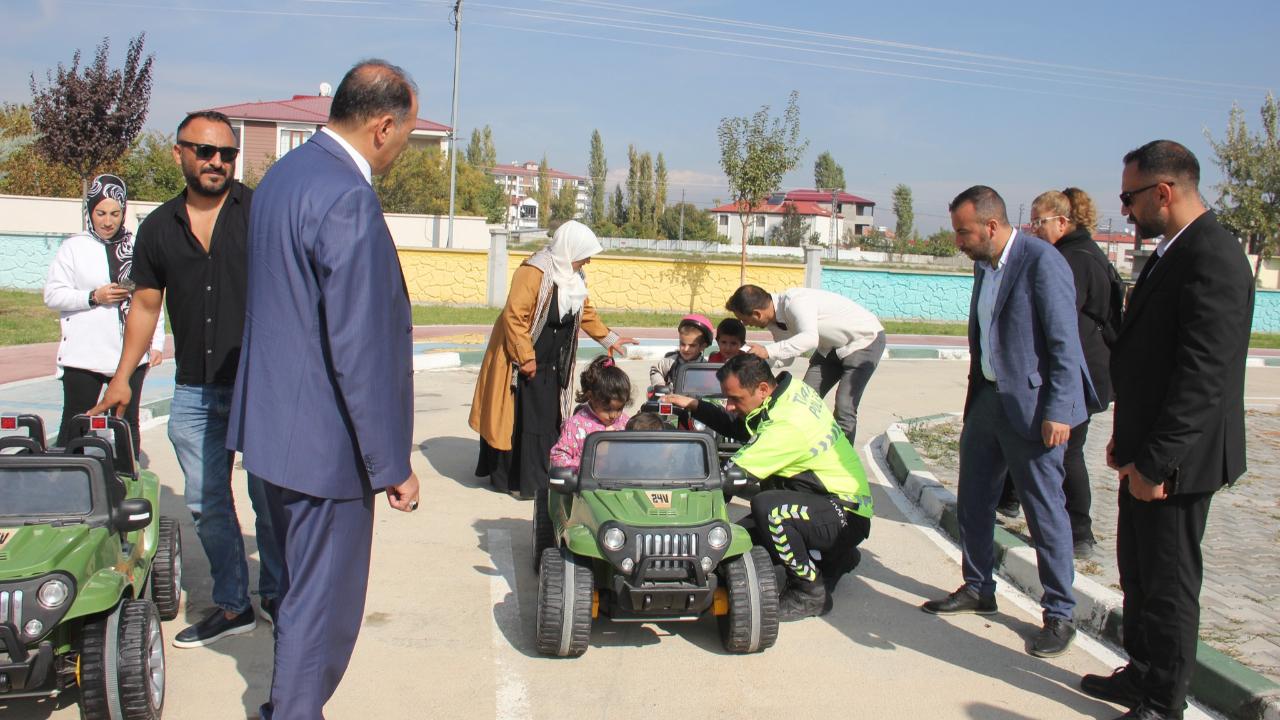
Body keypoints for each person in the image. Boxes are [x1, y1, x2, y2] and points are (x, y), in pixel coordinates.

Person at [226, 60, 422, 720]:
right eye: (406, 134)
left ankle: (287, 704)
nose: (401, 149)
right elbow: (359, 349)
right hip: (325, 452)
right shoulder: (347, 196)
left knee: (297, 601)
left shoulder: (281, 177)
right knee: (322, 618)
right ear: (383, 125)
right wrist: (391, 464)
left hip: (273, 437)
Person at [91, 111, 282, 649]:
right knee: (206, 503)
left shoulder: (259, 212)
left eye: (227, 154)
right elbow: (147, 307)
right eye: (205, 151)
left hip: (257, 386)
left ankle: (276, 593)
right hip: (196, 390)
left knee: (268, 500)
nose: (217, 162)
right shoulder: (157, 228)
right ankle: (231, 603)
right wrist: (124, 377)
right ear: (179, 153)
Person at [1079, 141, 1253, 720]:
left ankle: (1163, 702)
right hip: (1146, 448)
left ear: (1163, 191)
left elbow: (1204, 377)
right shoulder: (1174, 250)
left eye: (1129, 197)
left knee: (1171, 585)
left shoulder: (1215, 255)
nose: (1124, 210)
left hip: (1179, 461)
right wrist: (1127, 441)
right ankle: (1143, 674)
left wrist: (1156, 462)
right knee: (1139, 575)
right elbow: (1152, 357)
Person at [920, 185, 1096, 660]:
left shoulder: (1042, 262)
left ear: (992, 226)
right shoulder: (984, 265)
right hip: (988, 401)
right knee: (974, 501)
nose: (958, 240)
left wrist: (1060, 410)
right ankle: (978, 586)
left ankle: (1059, 614)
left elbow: (1064, 345)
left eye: (964, 231)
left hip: (1036, 411)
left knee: (1044, 512)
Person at [666, 354, 874, 621]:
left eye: (735, 399)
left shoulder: (786, 425)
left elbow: (728, 479)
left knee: (770, 510)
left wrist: (671, 500)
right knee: (734, 551)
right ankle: (835, 558)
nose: (729, 406)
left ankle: (809, 593)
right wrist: (696, 405)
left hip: (843, 514)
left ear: (763, 389)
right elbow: (742, 428)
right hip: (828, 505)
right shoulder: (789, 392)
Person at [997, 188, 1123, 558]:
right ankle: (1009, 499)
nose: (1034, 229)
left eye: (1040, 222)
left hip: (1080, 372)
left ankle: (1080, 533)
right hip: (1081, 367)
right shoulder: (1075, 253)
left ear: (1063, 222)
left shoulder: (1073, 259)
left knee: (1066, 451)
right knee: (1031, 435)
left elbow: (1061, 327)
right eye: (1032, 221)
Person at [470, 220, 635, 500]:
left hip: (551, 363)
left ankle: (543, 477)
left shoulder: (574, 276)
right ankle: (526, 483)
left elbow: (585, 311)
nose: (589, 261)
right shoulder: (535, 271)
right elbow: (515, 316)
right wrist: (526, 357)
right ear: (570, 249)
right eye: (586, 253)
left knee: (546, 419)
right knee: (524, 418)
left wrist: (609, 338)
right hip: (522, 361)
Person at [44, 174, 164, 452]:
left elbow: (150, 298)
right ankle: (68, 482)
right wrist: (93, 297)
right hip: (83, 355)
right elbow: (52, 294)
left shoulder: (137, 248)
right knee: (76, 422)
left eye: (114, 213)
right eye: (100, 213)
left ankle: (125, 481)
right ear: (90, 211)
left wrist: (155, 343)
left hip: (130, 354)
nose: (107, 221)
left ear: (124, 212)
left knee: (126, 423)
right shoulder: (74, 247)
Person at [726, 284, 885, 446]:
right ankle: (801, 450)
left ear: (757, 314)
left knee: (844, 407)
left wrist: (766, 351)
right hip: (829, 348)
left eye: (744, 320)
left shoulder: (796, 302)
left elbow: (809, 339)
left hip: (864, 341)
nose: (745, 324)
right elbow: (785, 356)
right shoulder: (774, 322)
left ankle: (844, 462)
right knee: (804, 399)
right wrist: (755, 363)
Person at [549, 355, 632, 472]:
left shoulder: (625, 422)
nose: (614, 415)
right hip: (587, 486)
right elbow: (557, 458)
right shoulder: (576, 425)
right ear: (591, 397)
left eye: (619, 409)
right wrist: (587, 464)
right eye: (607, 409)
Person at [649, 313, 713, 386]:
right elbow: (655, 370)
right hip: (671, 396)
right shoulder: (671, 362)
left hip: (695, 397)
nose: (686, 349)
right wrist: (660, 385)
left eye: (692, 345)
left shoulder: (705, 366)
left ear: (702, 346)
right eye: (682, 344)